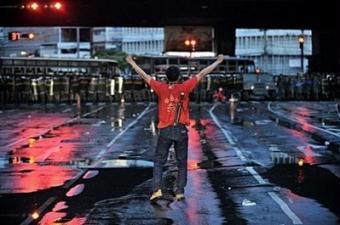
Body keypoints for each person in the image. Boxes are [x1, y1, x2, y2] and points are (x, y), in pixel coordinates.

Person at [126, 54, 224, 201]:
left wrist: (131, 62)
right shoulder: (185, 86)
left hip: (165, 130)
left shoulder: (160, 87)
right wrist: (218, 61)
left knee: (159, 162)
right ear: (179, 77)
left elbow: (143, 75)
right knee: (181, 162)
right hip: (181, 130)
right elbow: (203, 73)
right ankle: (179, 191)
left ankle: (157, 189)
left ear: (166, 77)